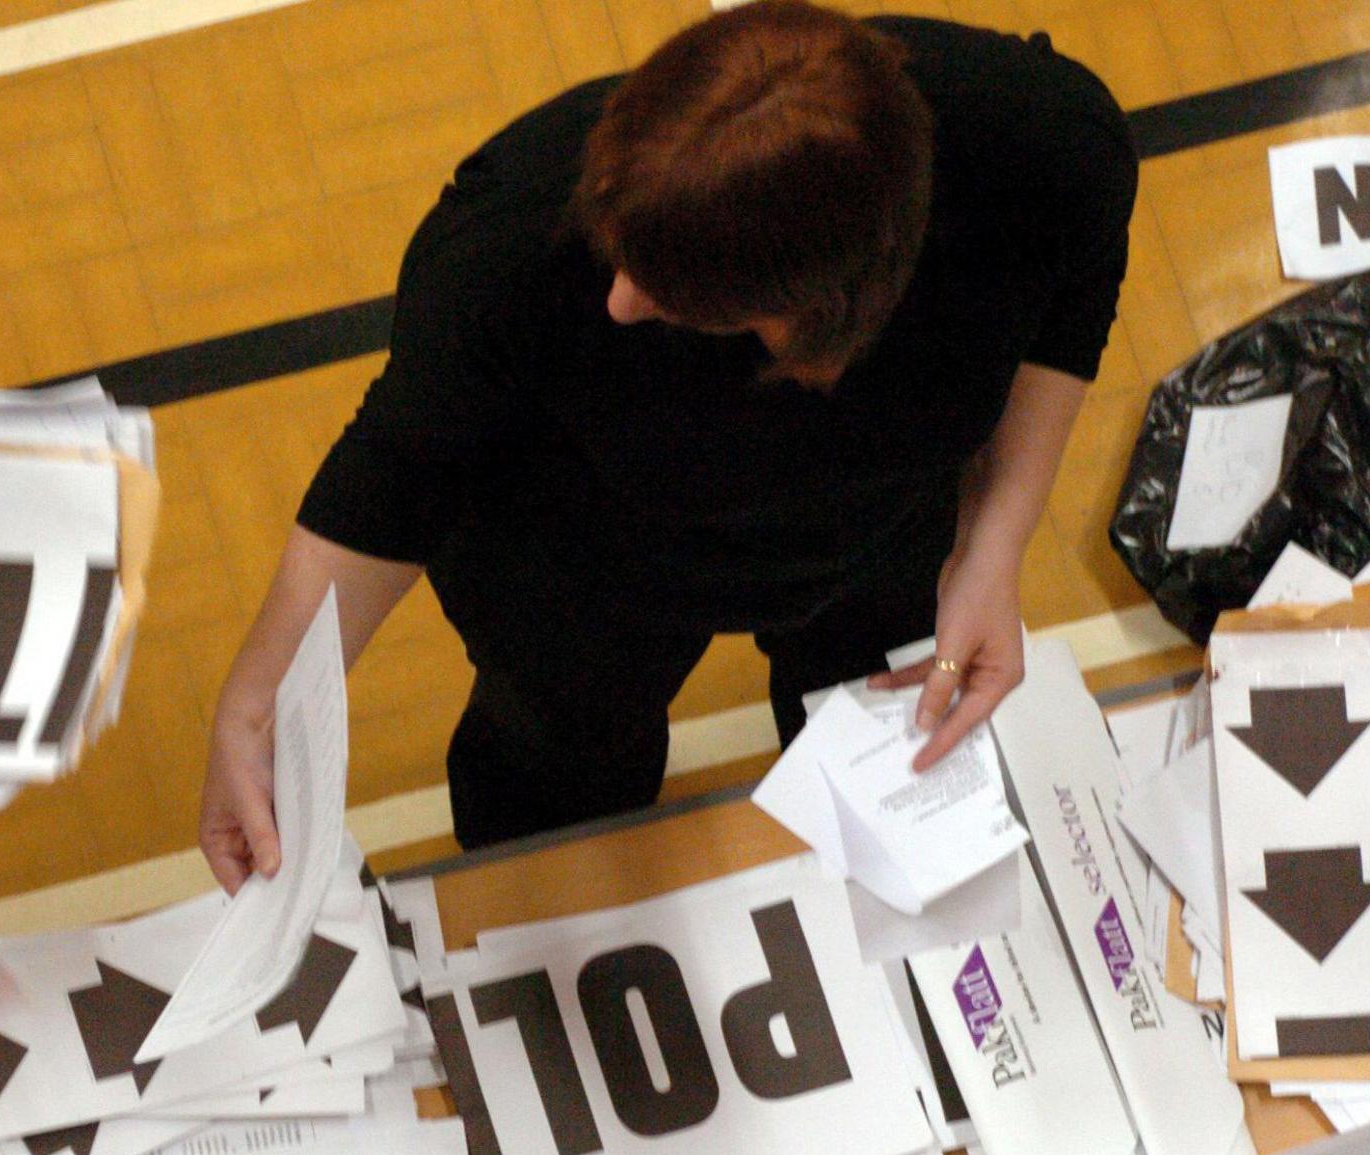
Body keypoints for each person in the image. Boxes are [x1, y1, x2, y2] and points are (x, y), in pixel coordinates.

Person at [199, 1, 1136, 884]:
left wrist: (990, 547)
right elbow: (401, 466)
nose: (619, 302)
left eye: (669, 294)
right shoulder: (517, 241)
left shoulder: (1039, 139)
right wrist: (255, 704)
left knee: (876, 735)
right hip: (580, 560)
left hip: (882, 530)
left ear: (801, 313)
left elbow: (1072, 305)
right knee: (560, 765)